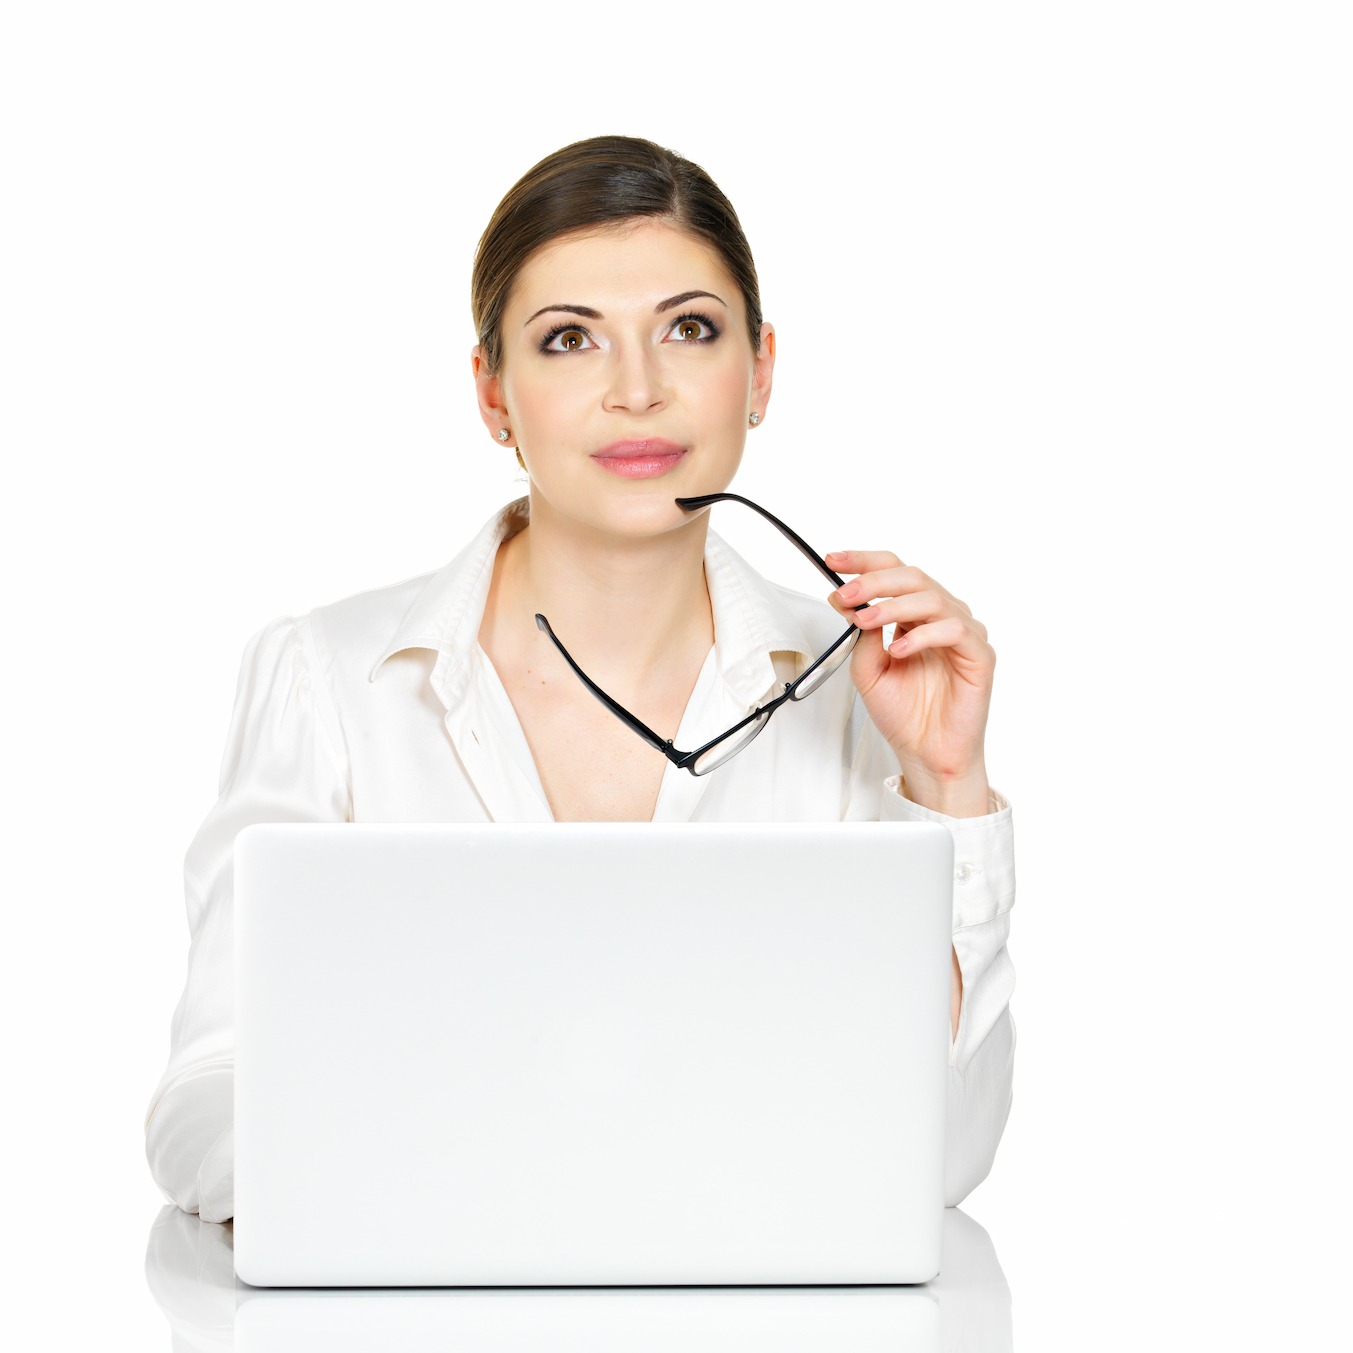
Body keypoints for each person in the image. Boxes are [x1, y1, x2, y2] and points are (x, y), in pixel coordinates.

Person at [143, 134, 1017, 1224]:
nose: (638, 392)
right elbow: (202, 1112)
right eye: (569, 341)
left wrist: (946, 775)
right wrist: (480, 1182)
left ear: (761, 370)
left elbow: (939, 1160)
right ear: (493, 394)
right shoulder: (330, 682)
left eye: (689, 330)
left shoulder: (859, 692)